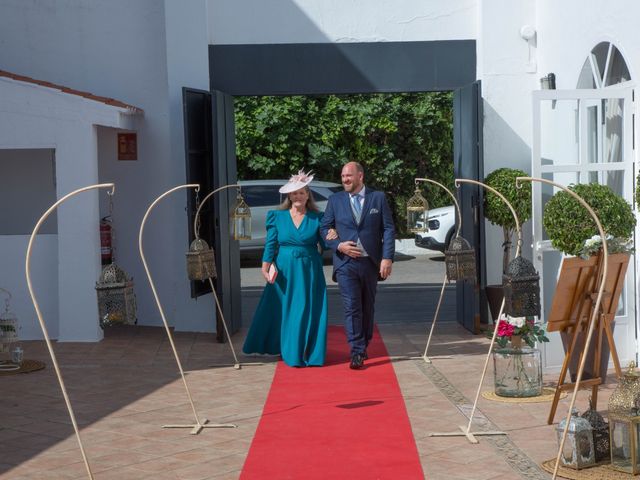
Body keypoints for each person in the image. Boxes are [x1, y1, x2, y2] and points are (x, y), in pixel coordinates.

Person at [242, 170, 329, 367]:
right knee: (278, 308)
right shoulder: (277, 216)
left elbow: (327, 245)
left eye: (301, 192)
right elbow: (271, 244)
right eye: (294, 193)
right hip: (284, 271)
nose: (298, 196)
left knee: (305, 309)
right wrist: (265, 267)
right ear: (289, 196)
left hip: (309, 271)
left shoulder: (318, 217)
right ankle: (274, 346)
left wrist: (337, 239)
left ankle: (304, 351)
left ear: (308, 195)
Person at [320, 161, 395, 369]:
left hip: (370, 263)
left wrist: (387, 257)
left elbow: (388, 229)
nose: (344, 179)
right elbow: (324, 227)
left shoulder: (377, 198)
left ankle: (364, 342)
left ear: (360, 176)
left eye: (348, 176)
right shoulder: (335, 200)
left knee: (367, 307)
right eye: (343, 176)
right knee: (352, 307)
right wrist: (338, 245)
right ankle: (357, 351)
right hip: (345, 264)